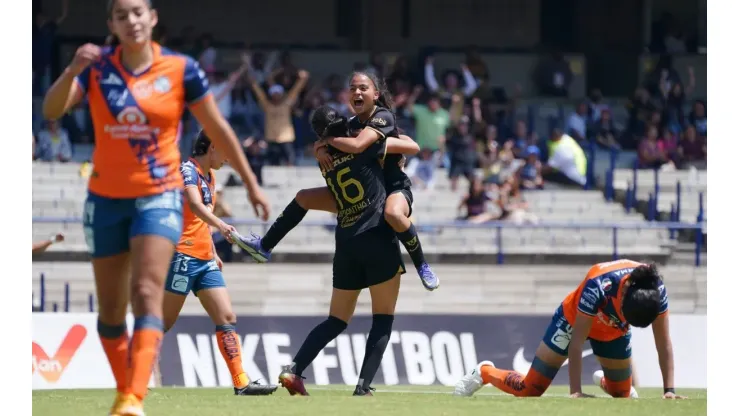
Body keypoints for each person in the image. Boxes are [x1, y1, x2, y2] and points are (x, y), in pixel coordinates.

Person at [40, 1, 269, 414]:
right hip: (106, 199)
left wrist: (252, 183)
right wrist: (72, 69)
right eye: (121, 15)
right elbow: (51, 109)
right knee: (112, 311)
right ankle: (128, 385)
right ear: (111, 23)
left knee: (147, 293)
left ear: (153, 17)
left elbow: (218, 126)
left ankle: (132, 399)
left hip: (158, 196)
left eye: (138, 12)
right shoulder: (96, 69)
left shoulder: (182, 70)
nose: (131, 21)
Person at [237, 71, 440, 291]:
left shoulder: (383, 116)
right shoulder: (350, 124)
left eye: (363, 88)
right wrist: (320, 148)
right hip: (365, 191)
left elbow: (408, 145)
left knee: (392, 213)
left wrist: (335, 142)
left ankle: (422, 264)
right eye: (353, 89)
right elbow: (336, 143)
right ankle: (264, 246)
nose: (357, 92)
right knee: (303, 197)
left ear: (375, 94)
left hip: (393, 188)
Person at [273, 104, 421, 397]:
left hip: (346, 243)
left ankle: (295, 368)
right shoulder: (366, 148)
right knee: (382, 319)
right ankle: (363, 386)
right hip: (376, 236)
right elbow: (410, 147)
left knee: (336, 320)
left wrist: (321, 146)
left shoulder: (324, 159)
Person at [453, 260, 687, 400]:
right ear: (624, 292)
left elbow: (663, 343)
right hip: (573, 320)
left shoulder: (656, 293)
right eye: (626, 315)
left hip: (613, 330)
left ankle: (609, 382)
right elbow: (577, 342)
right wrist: (576, 390)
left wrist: (669, 390)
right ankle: (484, 372)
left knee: (622, 396)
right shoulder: (598, 284)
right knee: (530, 389)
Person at [162, 132, 277, 396]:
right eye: (225, 152)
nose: (227, 159)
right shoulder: (187, 170)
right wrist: (222, 226)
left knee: (227, 317)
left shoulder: (211, 177)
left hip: (204, 260)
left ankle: (241, 382)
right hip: (182, 257)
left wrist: (213, 250)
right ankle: (133, 373)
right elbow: (194, 205)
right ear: (212, 147)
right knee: (163, 323)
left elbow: (202, 218)